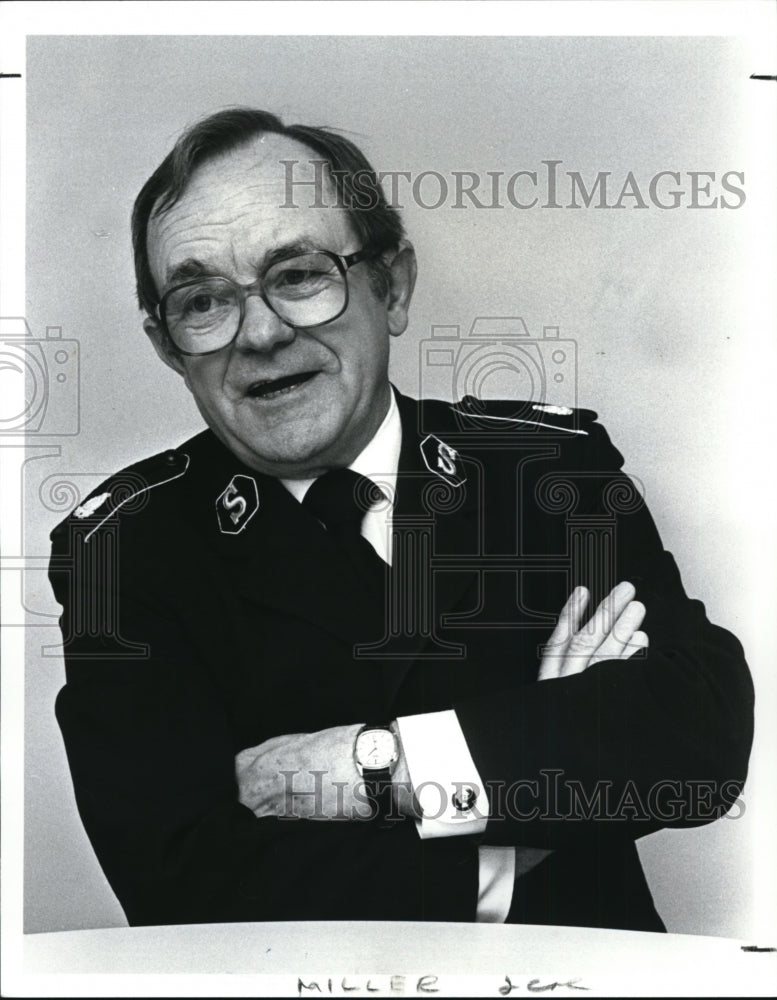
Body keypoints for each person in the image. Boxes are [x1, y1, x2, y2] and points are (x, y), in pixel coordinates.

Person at [49, 108, 754, 931]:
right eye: (203, 300)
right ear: (168, 345)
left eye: (300, 275)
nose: (263, 333)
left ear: (392, 286)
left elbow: (694, 740)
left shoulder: (544, 474)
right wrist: (529, 794)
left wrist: (374, 768)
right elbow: (187, 888)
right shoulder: (127, 552)